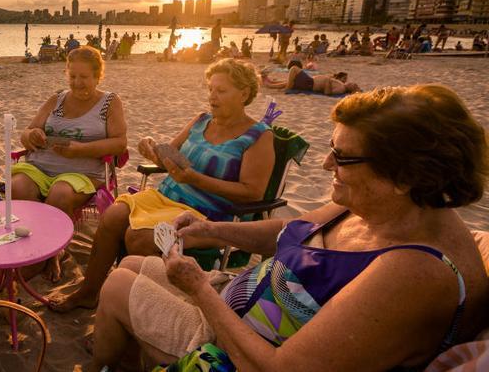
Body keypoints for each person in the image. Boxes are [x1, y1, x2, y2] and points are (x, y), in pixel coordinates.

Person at [90, 84, 489, 371]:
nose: (325, 165)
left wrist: (197, 288)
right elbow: (288, 231)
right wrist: (211, 228)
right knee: (130, 267)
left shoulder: (414, 272)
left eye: (343, 157)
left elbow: (279, 366)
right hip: (242, 303)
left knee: (116, 287)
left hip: (235, 349)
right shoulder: (382, 206)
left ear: (405, 176)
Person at [51, 58, 274, 312]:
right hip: (166, 197)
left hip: (205, 216)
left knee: (140, 238)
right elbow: (168, 154)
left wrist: (194, 179)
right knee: (113, 216)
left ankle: (131, 311)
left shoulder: (258, 136)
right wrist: (151, 147)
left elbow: (252, 192)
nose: (212, 96)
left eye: (221, 91)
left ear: (244, 93)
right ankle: (89, 293)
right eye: (210, 89)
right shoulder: (202, 120)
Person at [13, 46, 127, 281]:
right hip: (41, 166)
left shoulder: (109, 102)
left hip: (82, 171)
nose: (77, 82)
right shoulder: (57, 99)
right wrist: (32, 135)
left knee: (60, 194)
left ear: (98, 76)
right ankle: (34, 245)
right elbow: (27, 131)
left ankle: (53, 253)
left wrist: (81, 150)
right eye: (72, 76)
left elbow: (120, 143)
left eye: (84, 77)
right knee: (17, 187)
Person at [264, 63, 361, 94]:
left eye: (352, 84)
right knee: (289, 81)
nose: (350, 82)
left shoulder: (341, 89)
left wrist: (327, 80)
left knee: (294, 68)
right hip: (309, 82)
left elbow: (328, 93)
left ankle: (287, 89)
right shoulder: (341, 85)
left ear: (350, 88)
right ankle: (269, 84)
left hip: (310, 83)